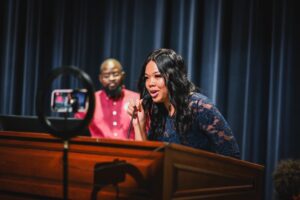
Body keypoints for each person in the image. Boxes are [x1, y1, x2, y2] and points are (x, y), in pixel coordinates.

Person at [127, 48, 240, 158]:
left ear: (173, 77)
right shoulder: (159, 110)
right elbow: (147, 159)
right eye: (147, 77)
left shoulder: (198, 105)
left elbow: (232, 155)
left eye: (157, 76)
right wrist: (139, 125)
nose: (150, 83)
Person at [76, 58, 139, 139]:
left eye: (115, 74)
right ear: (100, 78)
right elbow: (79, 130)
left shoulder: (136, 98)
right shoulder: (91, 100)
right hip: (98, 149)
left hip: (130, 150)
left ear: (123, 76)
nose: (111, 79)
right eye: (106, 76)